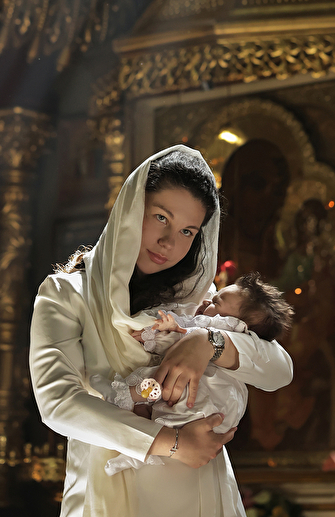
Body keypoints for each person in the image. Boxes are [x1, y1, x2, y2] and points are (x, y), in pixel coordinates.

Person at [29, 145, 293, 517]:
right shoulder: (68, 294)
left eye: (187, 231)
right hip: (112, 493)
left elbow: (280, 370)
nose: (170, 242)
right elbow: (59, 404)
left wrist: (208, 343)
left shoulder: (197, 299)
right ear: (131, 208)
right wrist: (172, 442)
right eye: (161, 217)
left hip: (202, 494)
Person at [91, 272, 294, 476]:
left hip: (204, 398)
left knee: (158, 380)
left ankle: (121, 395)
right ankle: (133, 454)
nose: (207, 301)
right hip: (216, 409)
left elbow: (179, 340)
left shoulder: (222, 327)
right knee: (158, 412)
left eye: (216, 302)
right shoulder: (228, 321)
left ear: (231, 321)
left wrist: (155, 336)